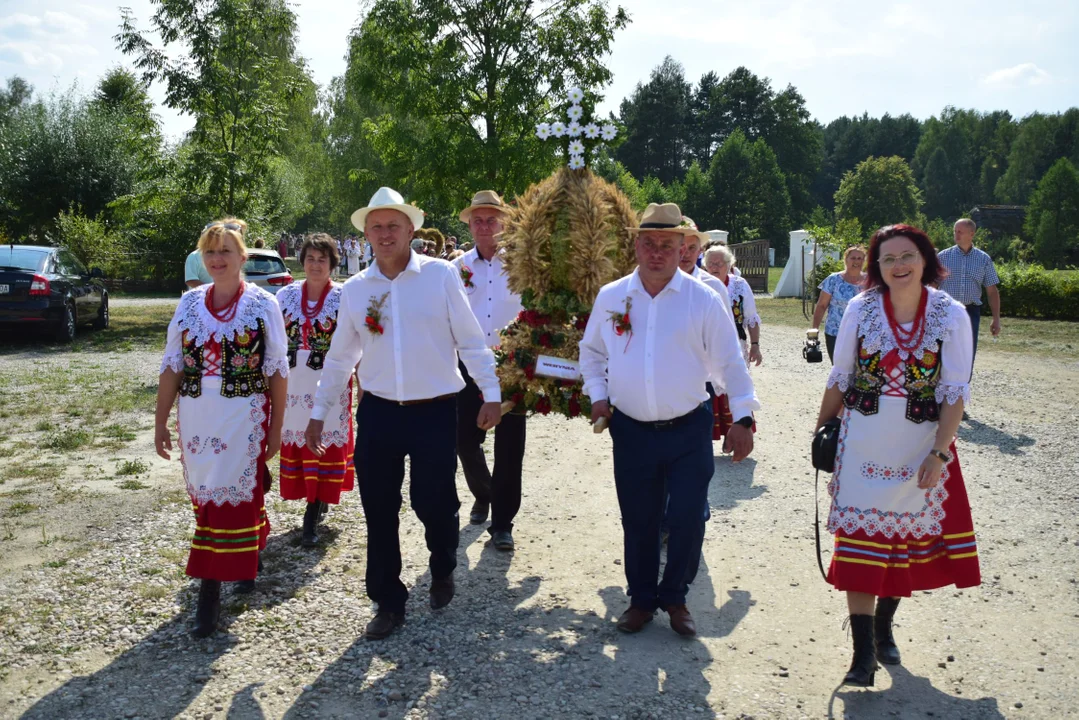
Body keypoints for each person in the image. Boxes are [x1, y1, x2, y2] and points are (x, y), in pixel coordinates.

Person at [304, 187, 503, 640]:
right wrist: (319, 410)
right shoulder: (355, 290)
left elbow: (470, 340)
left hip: (434, 411)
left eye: (394, 225)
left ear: (411, 229)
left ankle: (443, 566)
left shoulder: (440, 277)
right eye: (376, 226)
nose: (385, 233)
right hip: (378, 414)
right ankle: (388, 601)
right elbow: (339, 358)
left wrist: (490, 392)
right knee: (379, 508)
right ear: (366, 234)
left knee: (432, 503)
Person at [580, 202, 759, 638]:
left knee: (685, 518)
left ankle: (676, 597)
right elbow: (592, 353)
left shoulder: (704, 298)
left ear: (684, 248)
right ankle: (641, 600)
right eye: (648, 243)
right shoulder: (611, 296)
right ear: (636, 246)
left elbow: (730, 363)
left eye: (667, 244)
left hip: (687, 428)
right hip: (632, 430)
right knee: (637, 519)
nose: (657, 252)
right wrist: (599, 396)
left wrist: (744, 417)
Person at [815, 223, 980, 687]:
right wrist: (821, 431)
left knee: (900, 544)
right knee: (859, 544)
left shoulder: (949, 314)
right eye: (887, 259)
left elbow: (954, 392)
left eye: (907, 256)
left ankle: (884, 627)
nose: (898, 265)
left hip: (921, 444)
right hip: (863, 439)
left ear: (925, 259)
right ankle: (862, 655)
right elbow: (841, 376)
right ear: (876, 267)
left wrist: (940, 454)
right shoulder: (859, 308)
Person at [155, 218, 289, 637]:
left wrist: (276, 430)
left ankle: (208, 592)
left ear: (241, 257)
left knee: (229, 494)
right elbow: (172, 364)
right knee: (208, 491)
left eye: (225, 251)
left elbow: (277, 370)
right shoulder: (190, 303)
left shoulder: (262, 305)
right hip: (197, 414)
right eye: (209, 251)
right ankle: (245, 552)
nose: (216, 259)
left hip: (243, 413)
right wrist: (160, 422)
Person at [451, 191, 526, 550]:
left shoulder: (522, 265)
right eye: (478, 220)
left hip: (513, 367)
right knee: (464, 440)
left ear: (504, 224)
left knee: (511, 447)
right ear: (470, 225)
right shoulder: (457, 268)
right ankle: (484, 493)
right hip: (467, 365)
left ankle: (503, 524)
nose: (484, 226)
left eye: (491, 220)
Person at [277, 234, 354, 547]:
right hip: (295, 385)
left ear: (333, 263)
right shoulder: (285, 296)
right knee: (300, 439)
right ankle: (312, 500)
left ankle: (312, 513)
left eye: (323, 259)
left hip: (330, 383)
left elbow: (356, 342)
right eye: (310, 258)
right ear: (302, 260)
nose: (316, 264)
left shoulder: (344, 298)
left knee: (323, 442)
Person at [702, 244, 761, 446]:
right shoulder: (699, 284)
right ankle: (706, 437)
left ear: (729, 265)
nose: (714, 267)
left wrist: (755, 345)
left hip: (736, 344)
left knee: (735, 385)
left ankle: (733, 437)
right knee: (707, 388)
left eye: (719, 263)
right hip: (706, 348)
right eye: (710, 263)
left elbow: (751, 317)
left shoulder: (739, 285)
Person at [937, 218, 1001, 369]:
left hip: (970, 313)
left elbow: (992, 291)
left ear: (972, 234)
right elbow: (931, 287)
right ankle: (938, 389)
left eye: (960, 231)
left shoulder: (983, 259)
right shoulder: (942, 257)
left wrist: (996, 319)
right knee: (940, 352)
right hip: (945, 311)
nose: (956, 235)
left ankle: (962, 389)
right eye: (955, 231)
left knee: (967, 353)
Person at [812, 246, 867, 364]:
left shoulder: (870, 282)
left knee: (861, 369)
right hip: (835, 332)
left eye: (860, 258)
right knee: (838, 368)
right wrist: (814, 329)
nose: (856, 261)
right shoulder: (833, 280)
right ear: (846, 259)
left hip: (862, 334)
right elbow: (821, 305)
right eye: (853, 258)